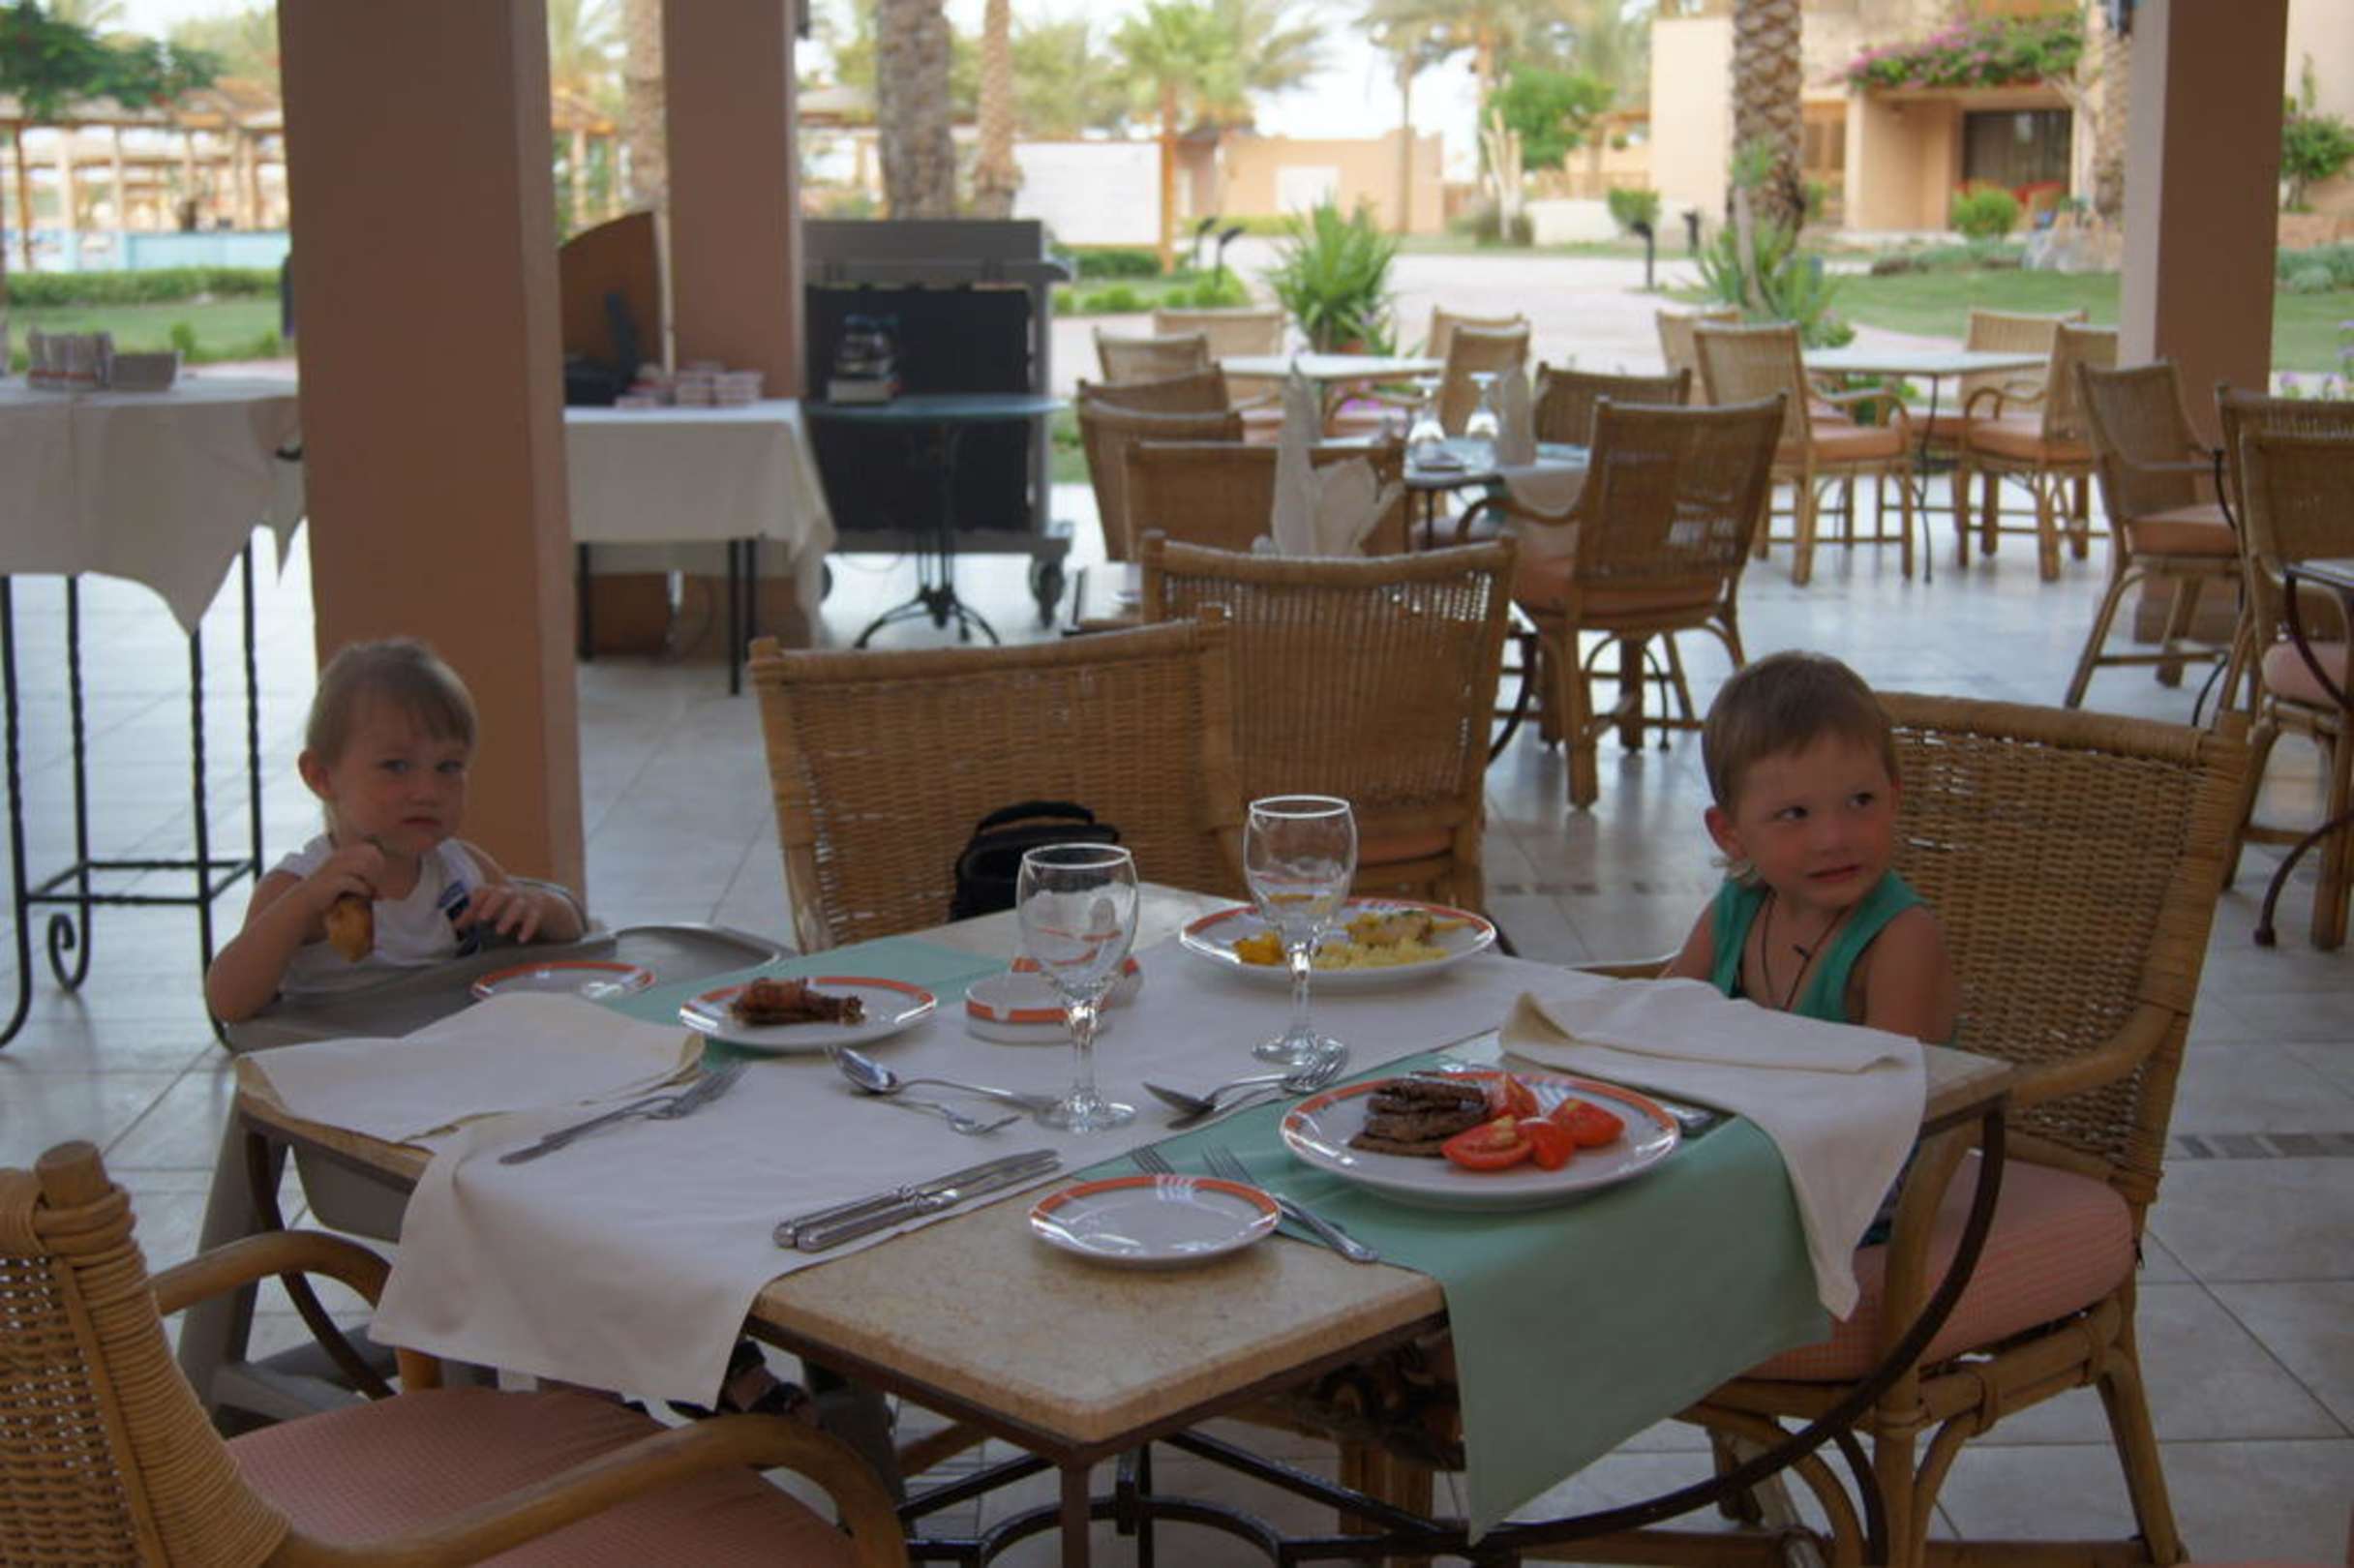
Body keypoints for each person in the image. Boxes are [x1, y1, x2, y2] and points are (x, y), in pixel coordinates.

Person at [204, 638, 586, 1022]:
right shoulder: (298, 886)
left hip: (448, 1048)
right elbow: (227, 1002)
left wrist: (536, 908)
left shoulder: (462, 868)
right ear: (322, 777)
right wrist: (303, 907)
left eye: (448, 767)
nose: (428, 792)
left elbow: (572, 931)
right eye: (396, 767)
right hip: (341, 1055)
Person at [1663, 650, 1957, 1044]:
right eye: (1795, 814)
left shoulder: (1900, 938)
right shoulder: (1738, 907)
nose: (1833, 839)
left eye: (1860, 801)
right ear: (1730, 834)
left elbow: (1892, 1078)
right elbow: (1659, 1017)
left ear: (1894, 799)